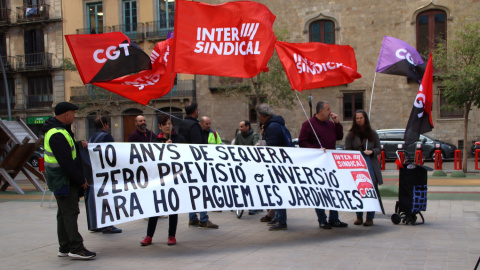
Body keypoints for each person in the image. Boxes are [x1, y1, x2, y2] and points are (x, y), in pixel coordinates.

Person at [42, 102, 96, 259]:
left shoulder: (59, 131)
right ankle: (76, 248)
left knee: (63, 214)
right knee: (70, 213)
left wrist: (79, 144)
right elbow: (66, 161)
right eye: (72, 113)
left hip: (60, 179)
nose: (74, 116)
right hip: (63, 180)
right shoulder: (57, 134)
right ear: (66, 114)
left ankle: (64, 247)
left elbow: (68, 150)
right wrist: (81, 179)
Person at [298, 101, 348, 230]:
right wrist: (316, 149)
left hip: (330, 162)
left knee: (334, 190)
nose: (330, 112)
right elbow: (302, 142)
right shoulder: (308, 124)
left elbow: (339, 136)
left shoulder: (330, 124)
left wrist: (337, 123)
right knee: (320, 191)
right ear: (321, 111)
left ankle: (334, 218)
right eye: (328, 109)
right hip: (317, 163)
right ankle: (322, 219)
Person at [140, 114, 187, 246]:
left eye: (169, 123)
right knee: (155, 207)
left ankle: (171, 235)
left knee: (173, 207)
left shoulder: (180, 139)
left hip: (174, 179)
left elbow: (185, 157)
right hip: (158, 180)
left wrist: (173, 148)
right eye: (164, 124)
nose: (167, 126)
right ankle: (149, 236)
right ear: (160, 126)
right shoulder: (154, 141)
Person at [178, 102, 219, 229]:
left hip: (185, 163)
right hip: (196, 165)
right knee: (201, 191)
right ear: (195, 111)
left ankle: (193, 218)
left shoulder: (182, 124)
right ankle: (203, 219)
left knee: (192, 192)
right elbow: (198, 146)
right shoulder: (194, 125)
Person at [344, 110, 383, 226]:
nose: (359, 120)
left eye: (361, 118)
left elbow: (379, 149)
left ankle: (370, 217)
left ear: (365, 119)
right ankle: (359, 216)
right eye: (357, 118)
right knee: (358, 190)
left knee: (371, 190)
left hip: (371, 165)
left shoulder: (372, 134)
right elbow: (347, 151)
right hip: (357, 167)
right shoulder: (350, 135)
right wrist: (359, 153)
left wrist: (371, 151)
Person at [255, 103, 288, 231]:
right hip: (279, 164)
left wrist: (262, 144)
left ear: (262, 116)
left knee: (279, 192)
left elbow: (272, 147)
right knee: (277, 191)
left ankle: (281, 220)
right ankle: (278, 217)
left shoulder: (273, 126)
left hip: (276, 164)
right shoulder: (275, 124)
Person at [88, 116, 122, 234]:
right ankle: (108, 225)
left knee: (96, 198)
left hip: (95, 172)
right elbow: (111, 154)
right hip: (105, 172)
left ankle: (96, 224)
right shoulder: (106, 136)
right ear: (106, 124)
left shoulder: (92, 137)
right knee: (107, 198)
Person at [234, 120, 260, 215]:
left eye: (242, 127)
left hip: (250, 164)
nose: (240, 129)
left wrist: (256, 145)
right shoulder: (239, 136)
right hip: (240, 164)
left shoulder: (254, 135)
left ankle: (254, 206)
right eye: (240, 127)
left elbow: (256, 143)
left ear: (247, 127)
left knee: (252, 185)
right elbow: (235, 147)